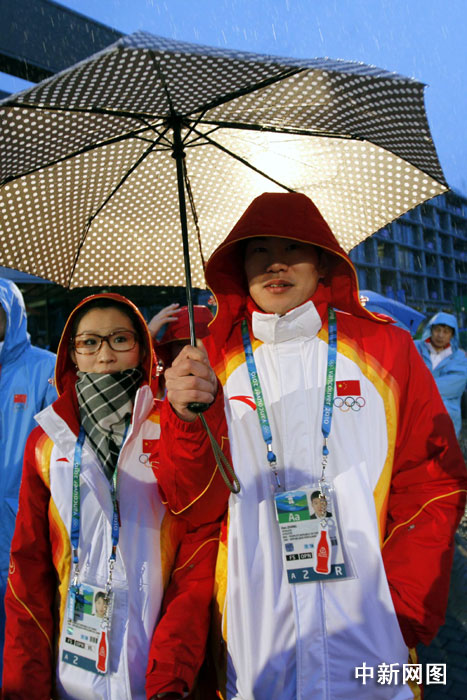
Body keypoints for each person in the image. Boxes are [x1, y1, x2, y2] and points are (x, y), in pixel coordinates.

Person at [159, 193, 467, 700]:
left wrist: (401, 605)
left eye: (292, 248)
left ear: (324, 259)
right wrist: (186, 421)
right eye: (259, 250)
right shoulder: (206, 363)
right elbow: (192, 506)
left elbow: (432, 481)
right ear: (238, 266)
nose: (275, 264)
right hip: (253, 635)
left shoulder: (386, 350)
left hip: (369, 630)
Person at [2, 293, 221, 700]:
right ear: (72, 354)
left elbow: (197, 547)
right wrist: (23, 686)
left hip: (155, 675)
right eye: (89, 342)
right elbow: (29, 572)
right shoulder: (47, 442)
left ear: (142, 348)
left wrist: (170, 674)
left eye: (120, 339)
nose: (104, 355)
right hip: (70, 677)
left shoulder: (172, 426)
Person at [0, 278, 57, 680]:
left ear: (13, 315)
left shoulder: (44, 368)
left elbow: (59, 446)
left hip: (23, 518)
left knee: (23, 617)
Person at [415, 311, 467, 437]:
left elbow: (454, 385)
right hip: (415, 408)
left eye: (446, 332)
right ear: (430, 330)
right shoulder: (415, 348)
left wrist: (419, 388)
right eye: (437, 330)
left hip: (445, 412)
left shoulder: (459, 357)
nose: (440, 335)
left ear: (452, 335)